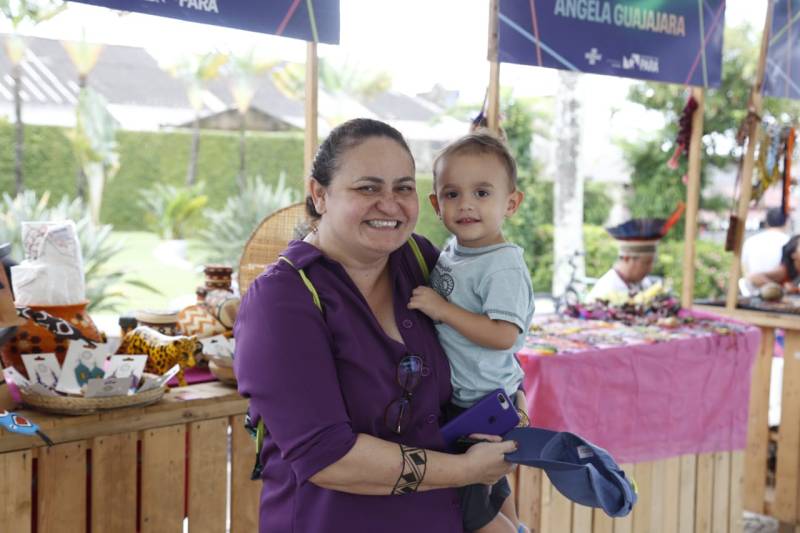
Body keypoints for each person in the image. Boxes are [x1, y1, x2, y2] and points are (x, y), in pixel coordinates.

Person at [234, 118, 517, 533]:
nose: (390, 203)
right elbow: (328, 456)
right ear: (320, 194)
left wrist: (516, 402)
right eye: (368, 188)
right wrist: (465, 471)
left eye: (403, 187)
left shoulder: (418, 260)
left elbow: (482, 344)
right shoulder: (281, 300)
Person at [407, 133, 533, 533]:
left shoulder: (502, 265)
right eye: (452, 194)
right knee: (490, 490)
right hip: (471, 397)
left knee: (471, 514)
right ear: (435, 204)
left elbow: (503, 336)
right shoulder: (456, 250)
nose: (466, 205)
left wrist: (442, 310)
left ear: (510, 203)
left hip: (480, 402)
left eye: (481, 193)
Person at [586, 238, 657, 302]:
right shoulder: (606, 290)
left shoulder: (644, 282)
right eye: (646, 263)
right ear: (627, 258)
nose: (650, 269)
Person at [739, 208, 790, 295]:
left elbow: (745, 270)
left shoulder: (750, 241)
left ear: (766, 222)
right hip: (780, 297)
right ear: (786, 222)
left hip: (752, 295)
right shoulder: (789, 242)